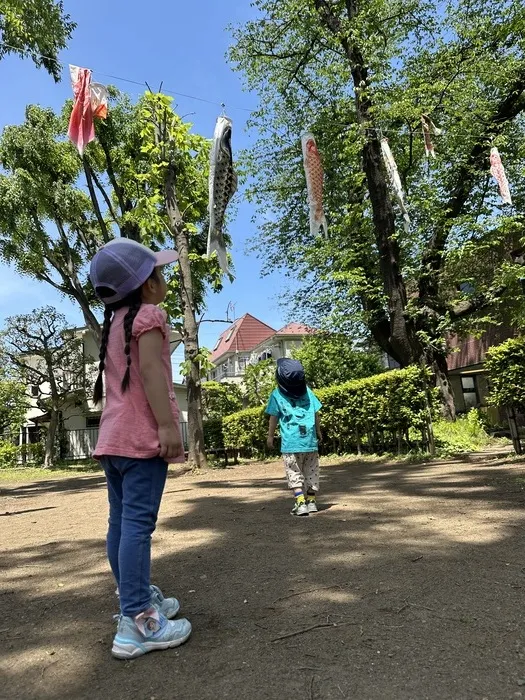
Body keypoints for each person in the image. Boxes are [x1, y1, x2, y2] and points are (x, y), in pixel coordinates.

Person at [89, 238, 191, 660]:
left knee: (121, 524)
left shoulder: (115, 321)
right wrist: (167, 425)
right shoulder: (150, 315)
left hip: (113, 440)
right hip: (141, 440)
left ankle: (134, 597)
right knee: (137, 527)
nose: (163, 279)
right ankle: (138, 620)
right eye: (160, 272)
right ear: (147, 285)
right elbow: (150, 371)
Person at [266, 358, 322, 516]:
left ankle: (300, 503)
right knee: (312, 471)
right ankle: (311, 502)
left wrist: (270, 436)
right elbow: (316, 414)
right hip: (310, 442)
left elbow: (273, 418)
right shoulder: (309, 392)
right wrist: (318, 431)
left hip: (291, 443)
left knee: (294, 472)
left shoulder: (276, 395)